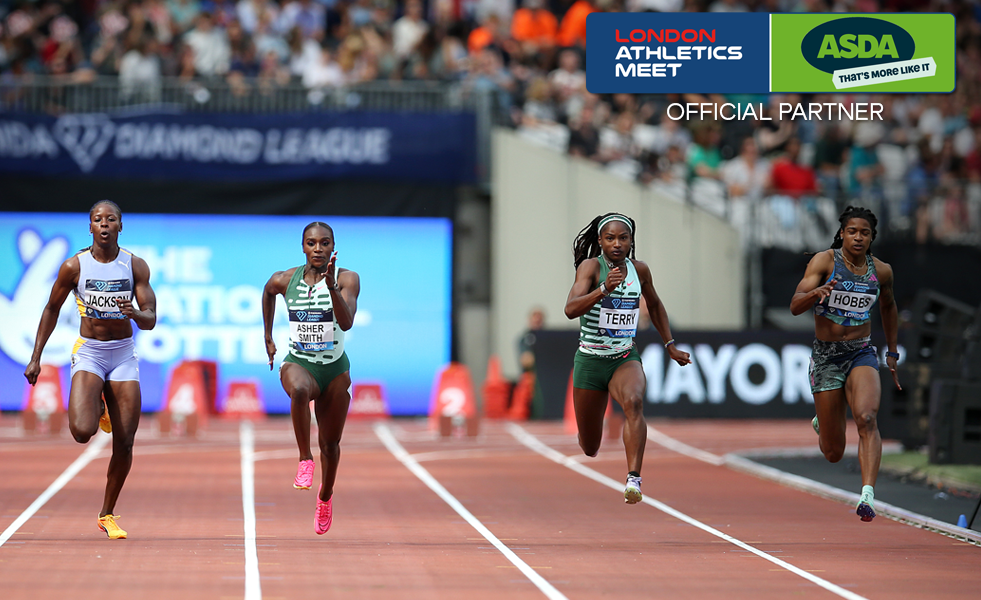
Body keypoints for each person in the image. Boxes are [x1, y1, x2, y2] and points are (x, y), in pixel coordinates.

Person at [24, 200, 157, 540]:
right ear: (90, 227)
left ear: (120, 226)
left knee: (125, 442)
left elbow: (151, 318)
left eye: (111, 219)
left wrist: (135, 313)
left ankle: (107, 513)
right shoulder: (74, 267)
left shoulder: (135, 266)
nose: (104, 224)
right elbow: (52, 308)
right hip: (91, 354)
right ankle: (98, 404)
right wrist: (36, 357)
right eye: (98, 219)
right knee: (82, 432)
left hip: (123, 354)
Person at [564, 213, 691, 504]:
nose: (617, 244)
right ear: (600, 241)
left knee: (634, 402)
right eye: (610, 238)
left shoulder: (640, 270)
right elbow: (570, 309)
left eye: (623, 238)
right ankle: (588, 439)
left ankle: (634, 478)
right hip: (590, 360)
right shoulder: (590, 267)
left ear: (632, 241)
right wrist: (605, 288)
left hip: (623, 356)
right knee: (589, 446)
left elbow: (656, 305)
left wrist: (669, 344)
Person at [790, 206, 901, 522]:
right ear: (842, 233)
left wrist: (891, 352)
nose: (858, 237)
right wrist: (817, 292)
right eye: (852, 231)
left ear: (871, 237)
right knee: (833, 452)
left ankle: (867, 495)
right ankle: (822, 423)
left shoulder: (882, 271)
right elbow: (795, 305)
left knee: (867, 417)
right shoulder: (825, 261)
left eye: (864, 232)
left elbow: (889, 307)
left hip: (861, 351)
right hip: (826, 356)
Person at [262, 222, 360, 535]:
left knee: (330, 445)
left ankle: (325, 497)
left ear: (333, 247)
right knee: (300, 390)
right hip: (299, 362)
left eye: (324, 243)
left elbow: (346, 324)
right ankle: (305, 460)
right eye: (311, 243)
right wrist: (267, 335)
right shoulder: (286, 279)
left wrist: (331, 287)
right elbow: (267, 290)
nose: (318, 249)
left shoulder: (347, 279)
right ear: (303, 246)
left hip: (333, 370)